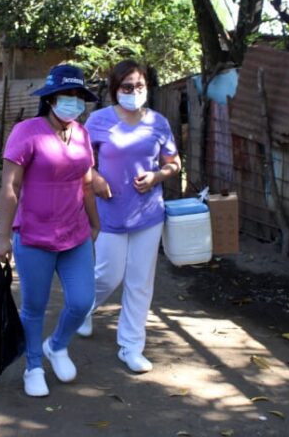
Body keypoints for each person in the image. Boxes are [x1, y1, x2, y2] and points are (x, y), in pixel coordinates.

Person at [0, 64, 100, 398]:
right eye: (67, 96)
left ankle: (57, 345)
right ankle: (34, 365)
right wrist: (2, 236)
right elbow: (10, 187)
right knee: (34, 305)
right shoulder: (27, 131)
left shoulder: (81, 133)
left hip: (75, 234)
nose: (73, 102)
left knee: (82, 301)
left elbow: (86, 181)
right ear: (51, 98)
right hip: (35, 237)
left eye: (79, 96)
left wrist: (96, 222)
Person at [77, 59, 181, 373]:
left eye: (139, 86)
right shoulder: (97, 120)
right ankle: (82, 309)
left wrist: (157, 177)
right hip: (109, 212)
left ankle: (131, 346)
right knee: (108, 275)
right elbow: (80, 158)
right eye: (127, 86)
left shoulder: (158, 123)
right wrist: (94, 179)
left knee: (140, 282)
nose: (134, 92)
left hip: (148, 214)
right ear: (115, 89)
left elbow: (174, 164)